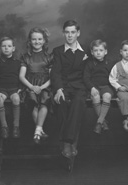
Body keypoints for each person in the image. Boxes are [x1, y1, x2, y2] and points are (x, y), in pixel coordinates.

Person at [50, 20, 88, 158]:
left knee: (78, 102)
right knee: (61, 102)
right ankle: (69, 143)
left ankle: (68, 140)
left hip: (79, 86)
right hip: (64, 86)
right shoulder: (58, 51)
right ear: (63, 33)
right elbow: (55, 73)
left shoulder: (85, 51)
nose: (70, 35)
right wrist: (58, 89)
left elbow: (88, 73)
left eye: (73, 32)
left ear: (78, 33)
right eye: (67, 32)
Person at [19, 27, 52, 144]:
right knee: (34, 103)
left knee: (43, 101)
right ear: (30, 41)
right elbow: (22, 76)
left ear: (44, 41)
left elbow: (52, 77)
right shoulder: (26, 57)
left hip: (45, 85)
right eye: (34, 39)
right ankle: (40, 130)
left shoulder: (49, 57)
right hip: (30, 85)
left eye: (39, 39)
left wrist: (42, 87)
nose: (37, 42)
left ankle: (37, 130)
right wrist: (32, 87)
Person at [0, 36, 21, 139]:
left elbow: (22, 77)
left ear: (13, 48)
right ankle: (4, 127)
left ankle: (16, 127)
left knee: (16, 99)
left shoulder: (17, 62)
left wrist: (20, 88)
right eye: (4, 46)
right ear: (0, 48)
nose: (6, 48)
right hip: (3, 89)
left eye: (9, 46)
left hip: (14, 89)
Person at [83, 39, 114, 134]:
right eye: (95, 51)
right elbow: (86, 78)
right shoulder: (89, 64)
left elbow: (113, 78)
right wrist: (91, 88)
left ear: (105, 52)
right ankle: (102, 122)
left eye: (101, 50)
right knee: (95, 97)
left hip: (106, 86)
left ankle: (99, 122)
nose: (98, 53)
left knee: (107, 96)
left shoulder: (109, 63)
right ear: (92, 52)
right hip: (94, 87)